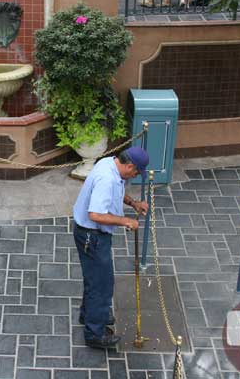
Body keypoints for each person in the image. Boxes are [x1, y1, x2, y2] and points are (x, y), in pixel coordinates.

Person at [72, 146, 150, 349]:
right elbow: (95, 214)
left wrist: (133, 203)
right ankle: (94, 334)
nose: (134, 175)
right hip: (92, 236)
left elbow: (118, 192)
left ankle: (89, 315)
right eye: (135, 172)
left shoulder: (109, 164)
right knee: (102, 285)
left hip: (91, 234)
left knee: (95, 279)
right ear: (130, 165)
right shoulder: (107, 178)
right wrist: (126, 221)